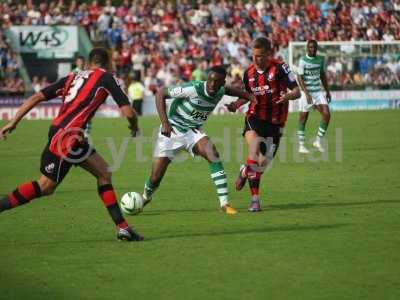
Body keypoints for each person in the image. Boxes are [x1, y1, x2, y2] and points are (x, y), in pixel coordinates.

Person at [0, 48, 143, 242]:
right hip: (66, 138)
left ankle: (123, 227)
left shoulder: (72, 77)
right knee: (45, 186)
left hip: (69, 135)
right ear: (106, 61)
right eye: (112, 61)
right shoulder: (107, 78)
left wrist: (14, 121)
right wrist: (134, 127)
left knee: (104, 172)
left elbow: (36, 97)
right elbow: (128, 112)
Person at [142, 66, 256, 215]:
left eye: (216, 82)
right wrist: (165, 123)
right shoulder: (193, 88)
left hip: (192, 132)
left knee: (212, 154)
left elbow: (239, 92)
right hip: (172, 131)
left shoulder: (221, 90)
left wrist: (250, 100)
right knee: (155, 177)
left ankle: (224, 203)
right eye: (210, 80)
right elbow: (160, 94)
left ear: (222, 82)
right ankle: (145, 197)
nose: (212, 84)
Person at [226, 37, 301, 212]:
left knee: (261, 163)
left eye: (260, 56)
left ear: (268, 54)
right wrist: (235, 105)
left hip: (276, 123)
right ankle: (255, 200)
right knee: (255, 153)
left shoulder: (281, 68)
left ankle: (245, 171)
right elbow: (246, 96)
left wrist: (289, 96)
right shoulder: (249, 73)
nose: (256, 59)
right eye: (254, 56)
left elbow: (297, 91)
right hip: (254, 118)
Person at [296, 39, 332, 153]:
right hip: (306, 92)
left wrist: (327, 91)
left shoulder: (320, 60)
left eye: (314, 47)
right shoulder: (303, 61)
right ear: (307, 48)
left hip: (317, 92)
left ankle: (317, 141)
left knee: (327, 114)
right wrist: (306, 93)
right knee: (303, 118)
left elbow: (323, 75)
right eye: (310, 47)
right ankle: (301, 145)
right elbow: (299, 77)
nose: (313, 49)